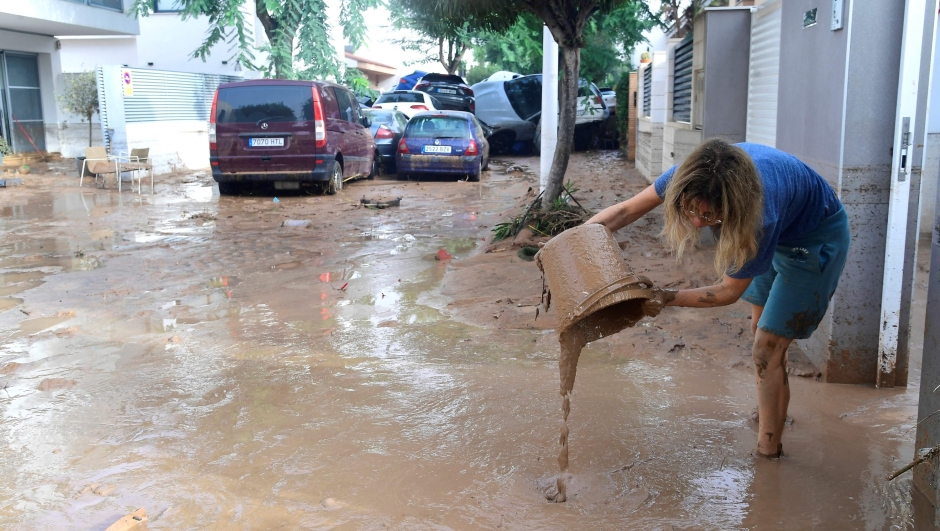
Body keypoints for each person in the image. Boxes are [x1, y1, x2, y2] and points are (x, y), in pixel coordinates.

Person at [587, 138, 850, 458]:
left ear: (732, 204)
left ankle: (769, 452)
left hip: (814, 239)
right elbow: (625, 210)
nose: (698, 222)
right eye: (691, 210)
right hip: (782, 225)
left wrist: (661, 297)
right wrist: (569, 242)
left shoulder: (758, 218)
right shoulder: (689, 175)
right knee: (759, 329)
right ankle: (771, 409)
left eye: (709, 214)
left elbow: (727, 292)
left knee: (767, 347)